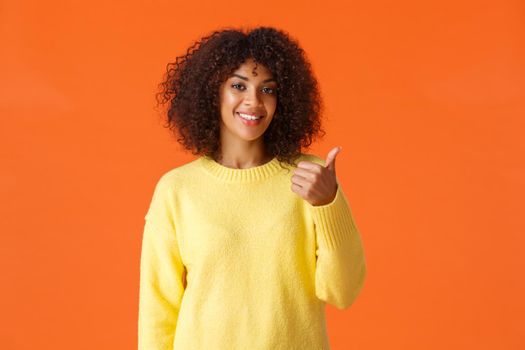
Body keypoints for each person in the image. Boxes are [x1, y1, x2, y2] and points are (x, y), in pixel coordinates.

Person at [138, 26, 367, 350]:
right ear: (212, 91)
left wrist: (329, 203)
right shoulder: (177, 190)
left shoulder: (311, 178)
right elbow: (157, 310)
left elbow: (343, 292)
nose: (254, 102)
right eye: (238, 85)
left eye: (268, 89)